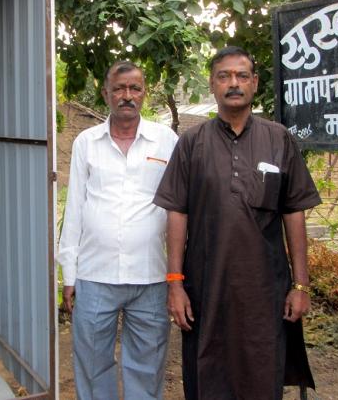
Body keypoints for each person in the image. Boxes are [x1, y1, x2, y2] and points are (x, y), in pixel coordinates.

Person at [153, 46, 321, 399]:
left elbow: (294, 212)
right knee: (206, 375)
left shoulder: (279, 140)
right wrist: (175, 284)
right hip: (205, 288)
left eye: (242, 76)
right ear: (212, 84)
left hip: (265, 291)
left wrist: (301, 286)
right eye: (224, 76)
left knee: (261, 374)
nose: (234, 84)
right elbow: (176, 212)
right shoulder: (192, 143)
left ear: (255, 83)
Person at [57, 61, 178, 400]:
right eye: (120, 89)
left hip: (151, 276)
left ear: (145, 93)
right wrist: (70, 273)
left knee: (148, 366)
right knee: (93, 365)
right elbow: (75, 208)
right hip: (95, 275)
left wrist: (177, 277)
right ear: (106, 93)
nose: (127, 96)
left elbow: (178, 209)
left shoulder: (165, 140)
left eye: (135, 88)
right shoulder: (86, 142)